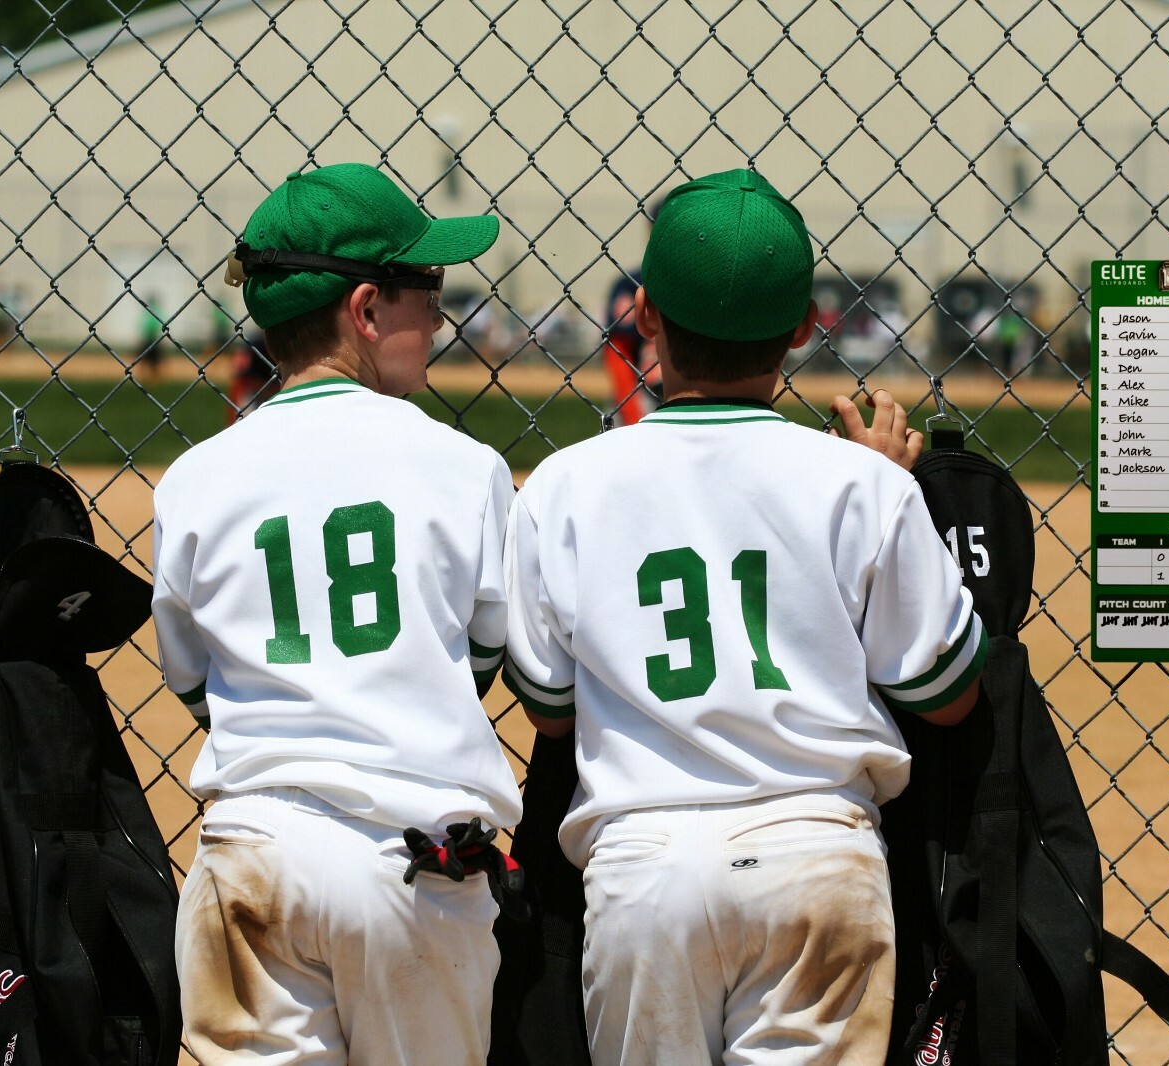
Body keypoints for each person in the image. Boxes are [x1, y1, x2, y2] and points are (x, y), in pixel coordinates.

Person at [503, 168, 986, 1065]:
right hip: (816, 855)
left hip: (642, 863)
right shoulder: (860, 483)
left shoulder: (565, 484)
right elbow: (948, 693)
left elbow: (548, 710)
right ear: (805, 329)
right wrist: (886, 484)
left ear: (642, 316)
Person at [150, 163, 523, 1065]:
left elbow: (197, 679)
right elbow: (475, 660)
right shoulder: (462, 466)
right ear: (365, 311)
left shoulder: (196, 477)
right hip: (412, 869)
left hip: (253, 852)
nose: (438, 317)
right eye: (425, 292)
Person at [601, 197, 664, 426]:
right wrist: (633, 416)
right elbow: (618, 354)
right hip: (643, 394)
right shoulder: (631, 284)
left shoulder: (707, 283)